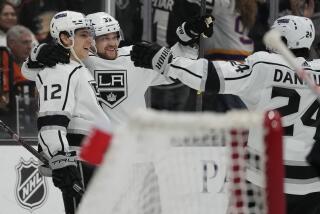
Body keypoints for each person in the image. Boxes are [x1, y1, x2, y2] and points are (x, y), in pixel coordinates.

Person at [131, 15, 320, 214]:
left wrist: (167, 62)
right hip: (312, 185)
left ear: (283, 40)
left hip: (262, 180)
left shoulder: (265, 66)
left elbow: (209, 76)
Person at [23, 12, 212, 128]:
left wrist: (189, 36)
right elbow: (30, 73)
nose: (112, 43)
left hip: (135, 146)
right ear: (90, 39)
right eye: (105, 38)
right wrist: (38, 55)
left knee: (146, 194)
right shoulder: (79, 62)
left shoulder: (136, 56)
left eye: (115, 36)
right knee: (93, 192)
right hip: (97, 146)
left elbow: (174, 67)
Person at [25, 10, 111, 214]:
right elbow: (51, 121)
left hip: (94, 156)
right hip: (80, 160)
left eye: (90, 34)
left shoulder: (77, 67)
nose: (90, 40)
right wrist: (61, 161)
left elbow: (28, 70)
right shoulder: (60, 71)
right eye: (83, 34)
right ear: (65, 37)